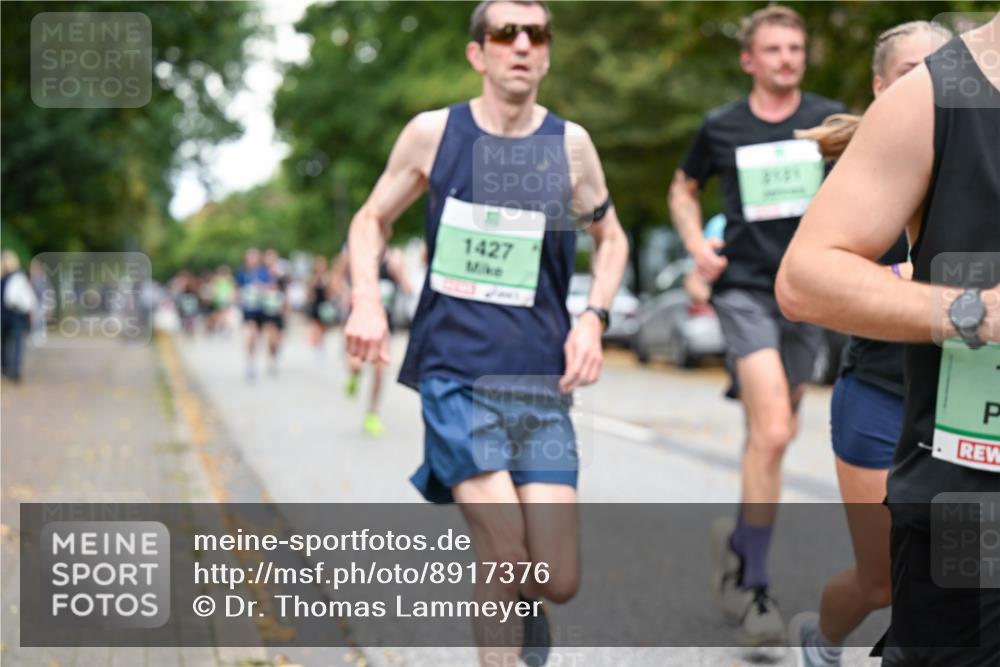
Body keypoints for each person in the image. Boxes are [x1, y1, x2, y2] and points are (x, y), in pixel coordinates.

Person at [343, 1, 629, 663]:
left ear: (548, 53)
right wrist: (365, 299)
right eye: (506, 33)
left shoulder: (570, 145)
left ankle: (523, 604)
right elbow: (369, 219)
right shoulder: (434, 135)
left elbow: (610, 236)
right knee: (503, 547)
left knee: (555, 577)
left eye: (537, 34)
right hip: (455, 375)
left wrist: (595, 315)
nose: (522, 45)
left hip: (539, 380)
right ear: (479, 53)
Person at [776, 13, 1000, 666]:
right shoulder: (937, 95)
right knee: (878, 581)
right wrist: (975, 313)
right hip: (971, 500)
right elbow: (807, 277)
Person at [667, 4, 846, 645]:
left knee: (775, 434)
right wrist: (695, 244)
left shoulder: (829, 120)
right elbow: (683, 188)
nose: (786, 59)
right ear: (749, 59)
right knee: (771, 429)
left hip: (809, 295)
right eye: (773, 50)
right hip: (745, 291)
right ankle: (757, 590)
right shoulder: (723, 126)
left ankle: (739, 539)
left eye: (795, 49)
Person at [1, 251, 37, 382]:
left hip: (4, 315)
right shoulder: (18, 277)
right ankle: (14, 370)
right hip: (15, 314)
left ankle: (5, 369)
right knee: (16, 343)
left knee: (4, 343)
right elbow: (22, 298)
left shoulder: (3, 278)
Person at [236, 248, 271, 381]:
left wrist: (261, 287)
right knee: (250, 334)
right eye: (250, 256)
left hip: (261, 310)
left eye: (255, 256)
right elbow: (237, 288)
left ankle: (253, 359)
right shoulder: (242, 272)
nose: (253, 259)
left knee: (257, 338)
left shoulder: (263, 272)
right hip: (248, 309)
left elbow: (270, 287)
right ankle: (249, 362)